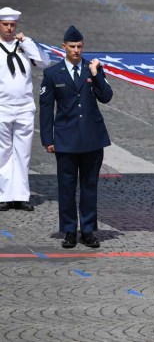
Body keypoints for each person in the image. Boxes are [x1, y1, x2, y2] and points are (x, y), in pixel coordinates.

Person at [39, 26, 113, 249]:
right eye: (72, 47)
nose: (76, 50)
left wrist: (96, 74)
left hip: (92, 138)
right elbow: (46, 108)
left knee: (89, 186)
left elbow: (106, 97)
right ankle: (70, 230)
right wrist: (47, 139)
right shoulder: (52, 74)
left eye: (79, 46)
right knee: (67, 187)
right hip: (66, 139)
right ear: (64, 47)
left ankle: (88, 230)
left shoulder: (92, 68)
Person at [0, 7, 50, 212]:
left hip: (24, 107)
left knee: (23, 152)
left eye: (12, 25)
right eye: (5, 24)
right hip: (1, 106)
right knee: (2, 152)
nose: (10, 28)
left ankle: (20, 195)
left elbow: (45, 62)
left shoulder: (24, 47)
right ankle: (3, 195)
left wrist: (26, 42)